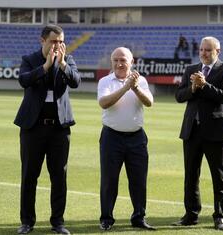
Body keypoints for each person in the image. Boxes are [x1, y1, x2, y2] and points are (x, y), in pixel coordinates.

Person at [14, 24, 81, 235]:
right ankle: (27, 222)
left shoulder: (67, 59)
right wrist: (45, 66)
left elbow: (76, 81)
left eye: (61, 41)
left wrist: (61, 64)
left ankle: (58, 223)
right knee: (29, 176)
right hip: (33, 128)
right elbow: (23, 80)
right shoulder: (30, 59)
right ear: (42, 40)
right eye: (54, 41)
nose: (58, 45)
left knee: (59, 177)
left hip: (59, 129)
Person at [173, 36, 223, 231]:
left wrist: (205, 85)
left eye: (208, 50)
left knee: (220, 177)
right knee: (191, 175)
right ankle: (191, 215)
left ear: (218, 51)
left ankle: (219, 216)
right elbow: (179, 96)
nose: (203, 53)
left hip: (216, 132)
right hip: (192, 130)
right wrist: (193, 87)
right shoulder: (191, 69)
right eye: (201, 49)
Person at [97, 47, 155, 231]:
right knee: (109, 180)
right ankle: (106, 219)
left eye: (123, 60)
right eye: (115, 60)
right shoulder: (105, 81)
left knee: (138, 180)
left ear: (132, 62)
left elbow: (149, 102)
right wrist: (126, 87)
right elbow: (104, 103)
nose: (119, 64)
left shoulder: (141, 80)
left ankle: (139, 217)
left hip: (137, 137)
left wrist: (135, 86)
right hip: (111, 137)